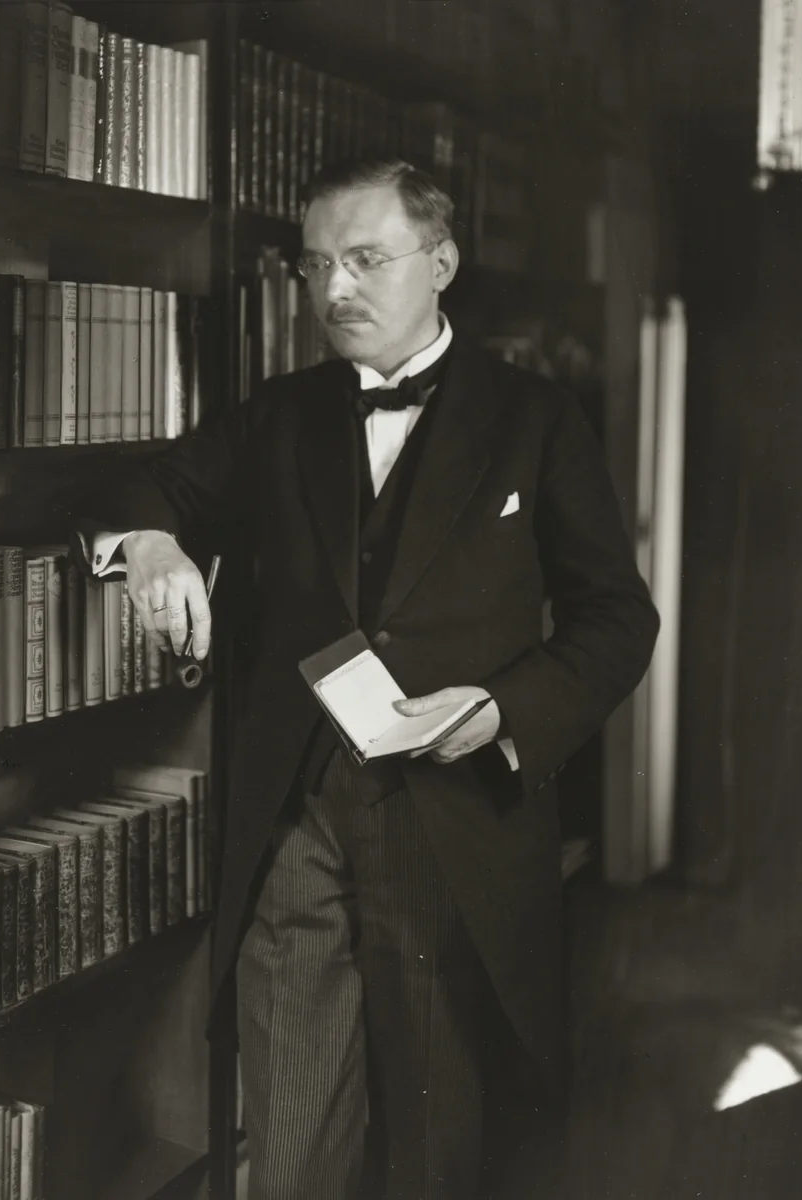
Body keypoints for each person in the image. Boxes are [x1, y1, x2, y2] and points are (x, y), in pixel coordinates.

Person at [76, 158, 659, 1199]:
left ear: (441, 263)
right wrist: (150, 545)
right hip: (297, 819)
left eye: (364, 260)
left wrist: (499, 710)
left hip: (458, 828)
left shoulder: (537, 419)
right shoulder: (279, 413)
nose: (334, 290)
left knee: (440, 1147)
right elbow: (139, 484)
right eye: (314, 266)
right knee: (298, 1143)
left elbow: (618, 619)